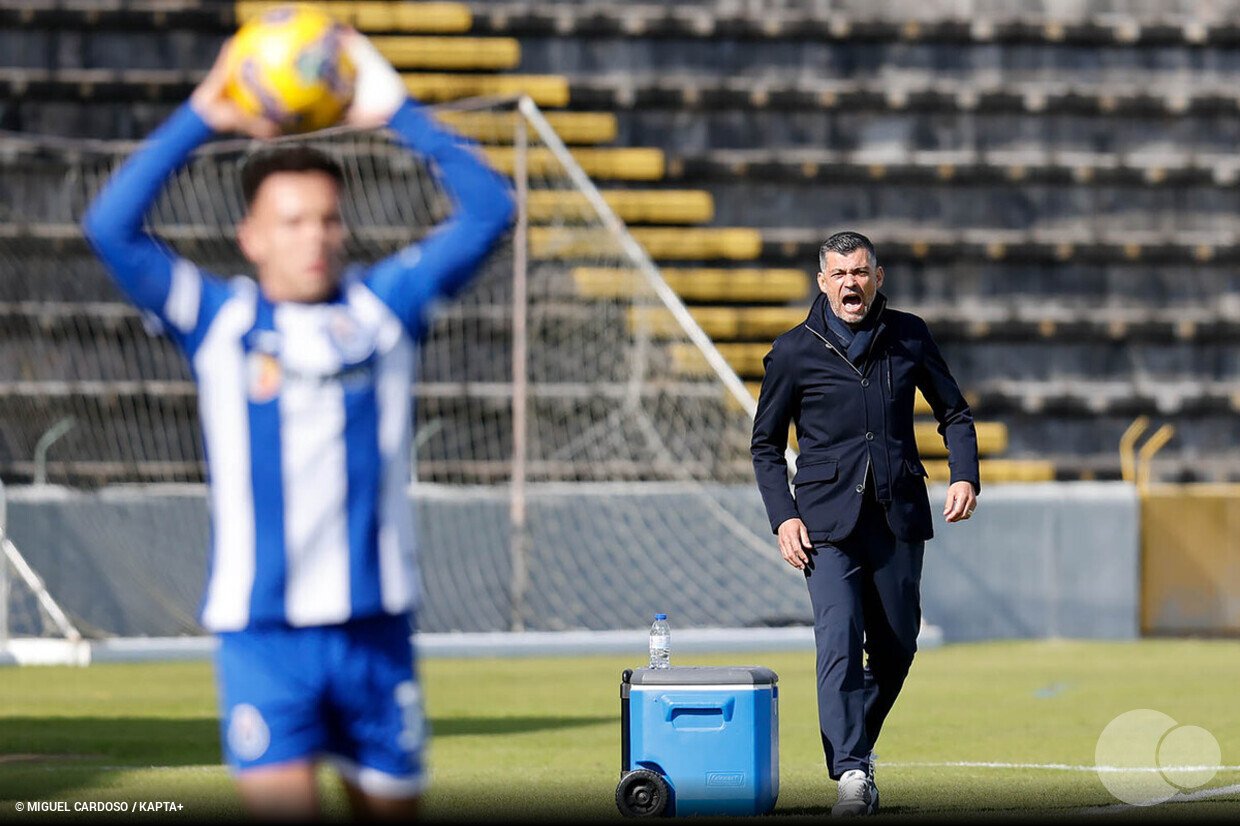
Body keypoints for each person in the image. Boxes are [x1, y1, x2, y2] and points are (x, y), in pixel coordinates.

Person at [82, 31, 514, 820]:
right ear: (250, 238)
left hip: (374, 633)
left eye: (325, 220)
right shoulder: (216, 320)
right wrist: (204, 114)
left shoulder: (384, 311)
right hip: (264, 636)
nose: (312, 237)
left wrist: (397, 112)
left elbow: (490, 208)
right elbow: (110, 227)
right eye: (290, 221)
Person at [750, 231, 979, 817]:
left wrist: (964, 475)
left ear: (879, 276)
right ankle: (853, 770)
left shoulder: (910, 335)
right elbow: (767, 448)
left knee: (898, 646)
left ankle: (854, 745)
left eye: (860, 272)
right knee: (840, 638)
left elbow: (953, 411)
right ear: (822, 282)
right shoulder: (793, 351)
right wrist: (784, 519)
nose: (850, 283)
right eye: (839, 275)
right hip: (824, 523)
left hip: (898, 514)